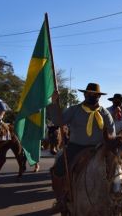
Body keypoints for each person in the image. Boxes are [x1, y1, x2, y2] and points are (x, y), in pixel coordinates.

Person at [48, 83, 116, 213]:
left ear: (99, 96)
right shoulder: (74, 109)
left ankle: (116, 197)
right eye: (90, 94)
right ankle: (60, 200)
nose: (93, 96)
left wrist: (110, 141)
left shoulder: (104, 113)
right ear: (84, 94)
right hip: (76, 146)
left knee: (117, 168)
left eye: (95, 95)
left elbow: (112, 132)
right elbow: (58, 121)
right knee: (58, 168)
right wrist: (54, 103)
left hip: (99, 148)